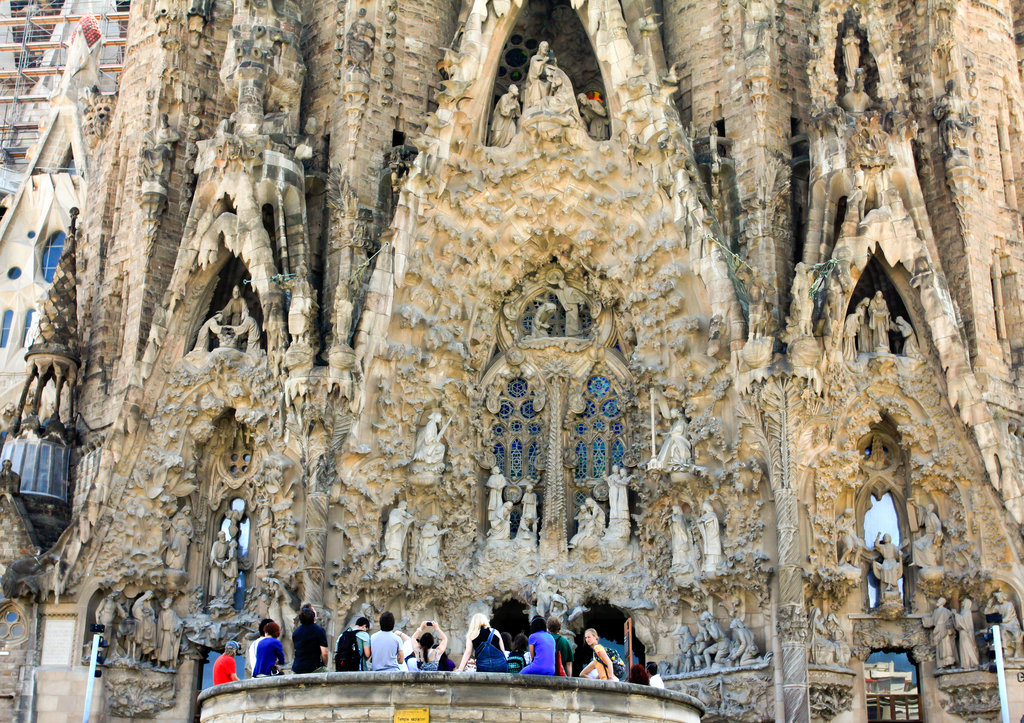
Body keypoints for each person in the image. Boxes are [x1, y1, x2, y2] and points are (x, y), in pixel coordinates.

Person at [292, 605, 329, 674]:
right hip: (314, 667)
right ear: (314, 617)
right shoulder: (319, 630)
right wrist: (324, 665)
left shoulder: (296, 632)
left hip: (297, 668)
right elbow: (324, 653)